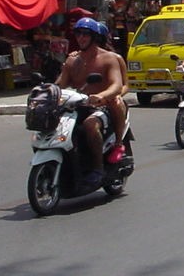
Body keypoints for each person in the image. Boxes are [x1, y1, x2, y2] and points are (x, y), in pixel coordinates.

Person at [55, 17, 124, 190]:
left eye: (85, 34)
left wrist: (101, 95)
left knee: (90, 125)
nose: (81, 38)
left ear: (94, 36)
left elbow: (117, 84)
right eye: (78, 33)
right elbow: (60, 84)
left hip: (101, 106)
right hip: (77, 106)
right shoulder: (72, 60)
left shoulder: (109, 58)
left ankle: (98, 169)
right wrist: (47, 92)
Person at [94, 21, 129, 158]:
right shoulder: (78, 57)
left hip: (108, 99)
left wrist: (117, 95)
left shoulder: (115, 58)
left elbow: (125, 85)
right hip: (88, 99)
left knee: (116, 103)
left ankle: (118, 142)